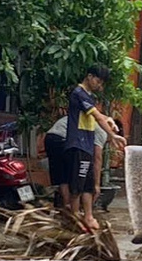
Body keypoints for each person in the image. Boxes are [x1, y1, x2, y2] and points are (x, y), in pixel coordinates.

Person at [43, 67, 118, 220]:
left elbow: (95, 115)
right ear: (89, 76)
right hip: (77, 143)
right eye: (98, 81)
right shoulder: (79, 93)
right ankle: (75, 214)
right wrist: (112, 134)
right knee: (76, 184)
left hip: (85, 145)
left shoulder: (89, 97)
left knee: (87, 185)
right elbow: (96, 117)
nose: (99, 85)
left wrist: (108, 119)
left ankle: (88, 216)